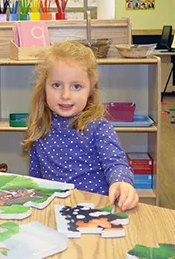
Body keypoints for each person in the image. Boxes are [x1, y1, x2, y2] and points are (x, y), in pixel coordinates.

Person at [24, 41, 139, 211]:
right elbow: (36, 179)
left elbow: (116, 164)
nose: (65, 95)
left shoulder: (99, 128)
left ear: (90, 90)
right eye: (56, 85)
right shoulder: (40, 128)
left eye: (76, 86)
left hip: (94, 212)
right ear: (44, 88)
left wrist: (121, 182)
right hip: (54, 212)